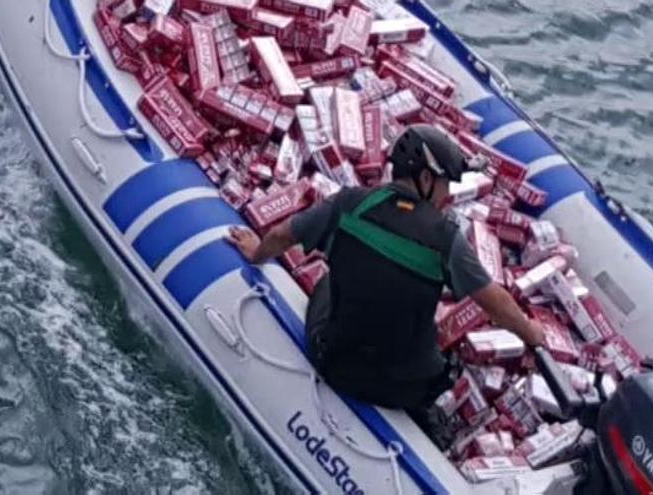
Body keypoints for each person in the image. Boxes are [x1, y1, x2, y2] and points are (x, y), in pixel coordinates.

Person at [228, 124, 545, 416]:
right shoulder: (447, 238)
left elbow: (283, 236)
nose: (448, 195)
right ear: (424, 178)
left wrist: (256, 253)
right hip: (406, 391)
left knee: (328, 281)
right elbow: (495, 302)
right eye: (444, 184)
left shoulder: (349, 203)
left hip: (337, 365)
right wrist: (533, 334)